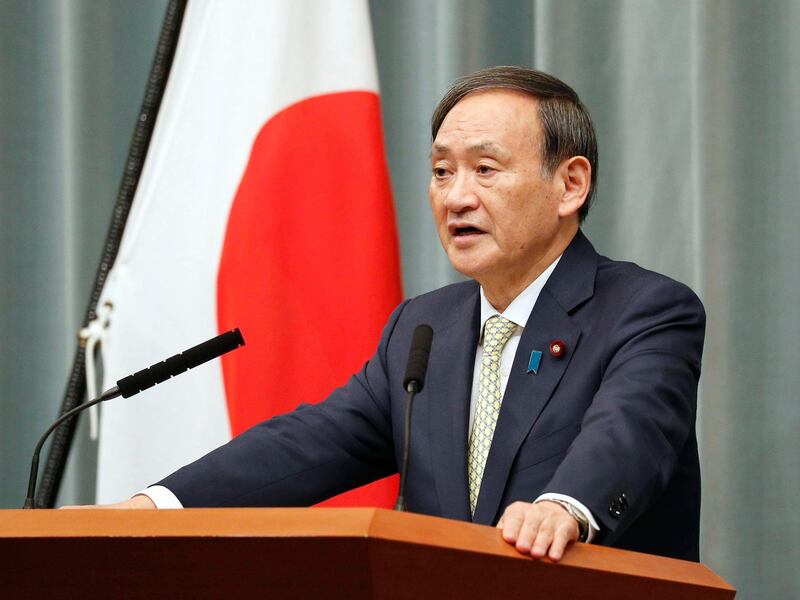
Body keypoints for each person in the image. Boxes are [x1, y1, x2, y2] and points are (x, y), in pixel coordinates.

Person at [92, 66, 705, 563]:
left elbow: (630, 432)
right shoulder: (424, 329)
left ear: (570, 185)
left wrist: (566, 507)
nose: (456, 195)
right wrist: (154, 506)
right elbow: (307, 445)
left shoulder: (646, 311)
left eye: (485, 170)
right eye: (442, 171)